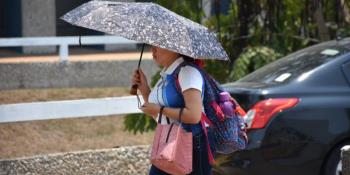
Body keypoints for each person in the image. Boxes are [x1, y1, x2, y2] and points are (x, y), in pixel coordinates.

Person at [131, 45, 212, 175]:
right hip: (169, 140)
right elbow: (160, 112)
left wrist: (159, 109)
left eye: (158, 46)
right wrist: (144, 87)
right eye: (152, 46)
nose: (153, 50)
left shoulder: (188, 73)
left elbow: (194, 115)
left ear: (175, 49)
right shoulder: (167, 73)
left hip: (192, 144)